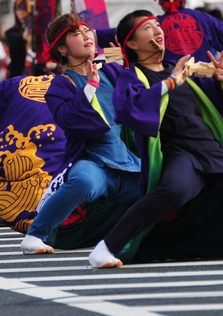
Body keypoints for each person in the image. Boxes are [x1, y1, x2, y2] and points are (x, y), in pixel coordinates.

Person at [86, 10, 223, 269]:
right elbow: (127, 109)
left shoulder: (182, 71)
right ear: (132, 44)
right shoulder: (133, 76)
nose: (158, 30)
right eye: (147, 28)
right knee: (172, 191)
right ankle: (106, 248)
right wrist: (169, 83)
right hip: (180, 154)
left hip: (214, 152)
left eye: (158, 25)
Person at [19, 13, 142, 256]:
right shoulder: (61, 85)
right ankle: (35, 234)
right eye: (77, 34)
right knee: (83, 181)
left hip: (127, 162)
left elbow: (141, 97)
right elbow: (70, 120)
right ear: (62, 49)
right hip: (93, 161)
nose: (87, 36)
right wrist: (90, 86)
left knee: (162, 184)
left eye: (88, 31)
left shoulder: (111, 73)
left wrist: (130, 63)